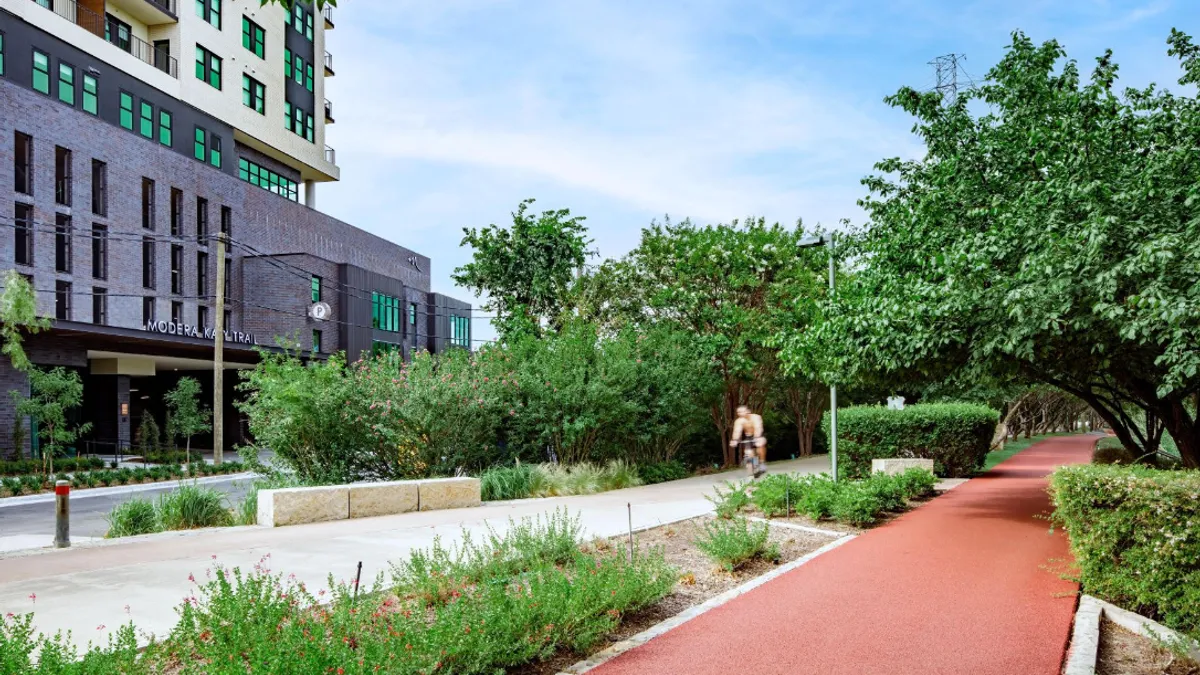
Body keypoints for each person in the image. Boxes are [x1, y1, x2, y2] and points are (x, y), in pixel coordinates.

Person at [729, 405, 767, 478]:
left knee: (760, 445)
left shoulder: (756, 417)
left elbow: (758, 427)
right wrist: (735, 440)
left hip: (758, 435)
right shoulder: (739, 421)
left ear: (748, 411)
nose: (741, 413)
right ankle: (751, 471)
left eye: (743, 411)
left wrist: (757, 437)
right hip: (749, 437)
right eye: (739, 412)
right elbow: (737, 431)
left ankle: (762, 463)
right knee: (748, 453)